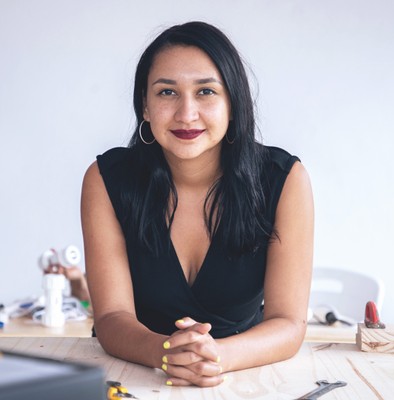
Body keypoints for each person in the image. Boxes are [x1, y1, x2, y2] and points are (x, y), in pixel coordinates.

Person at [81, 21, 314, 387]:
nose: (186, 113)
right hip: (133, 378)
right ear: (145, 105)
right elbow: (111, 317)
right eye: (166, 93)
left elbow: (288, 323)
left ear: (233, 104)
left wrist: (216, 356)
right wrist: (165, 352)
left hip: (247, 379)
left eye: (205, 91)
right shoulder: (106, 179)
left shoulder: (284, 179)